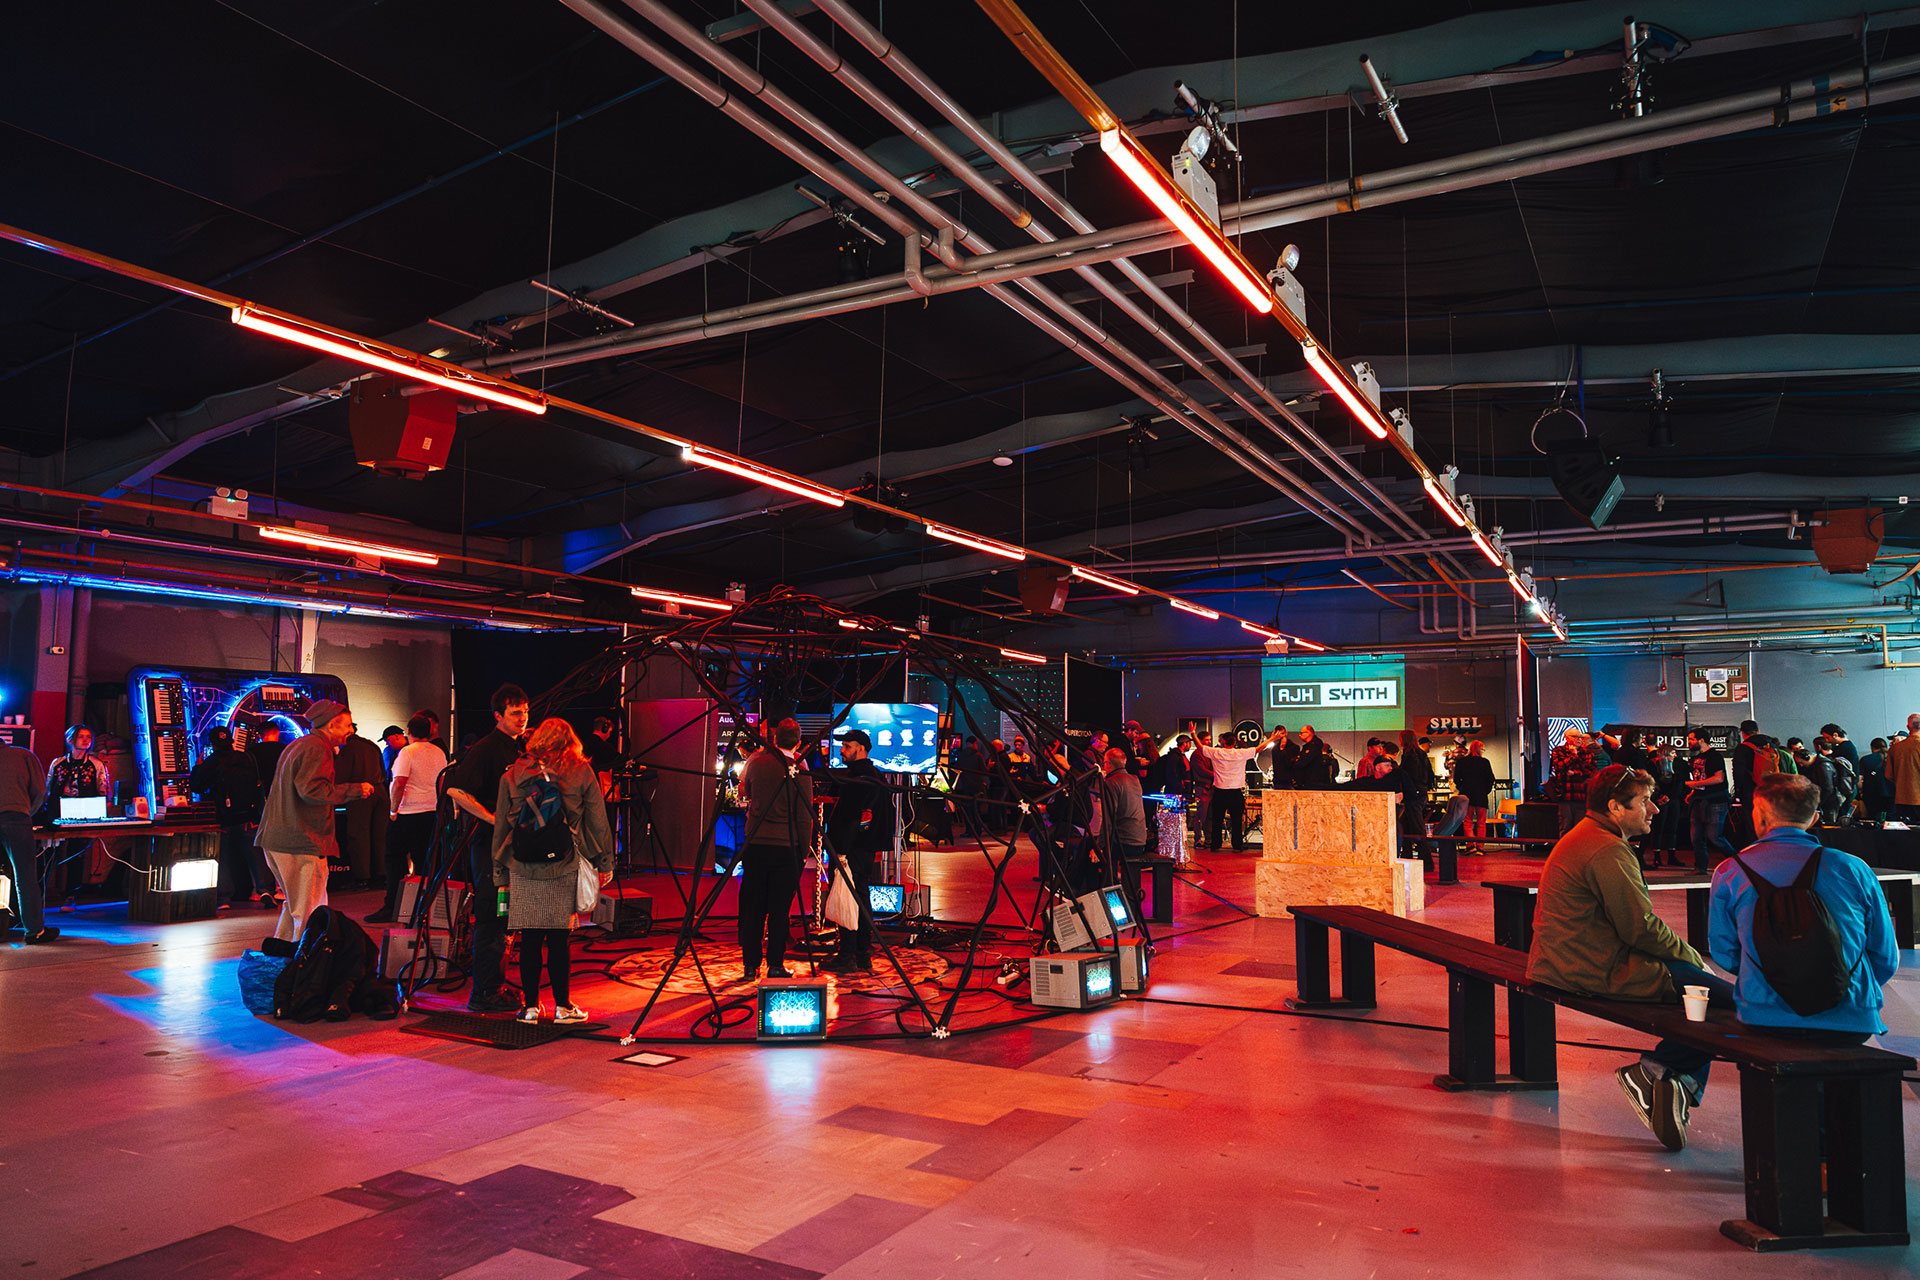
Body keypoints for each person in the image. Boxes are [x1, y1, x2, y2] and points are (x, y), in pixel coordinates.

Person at [1527, 764, 1731, 1152]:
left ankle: (1671, 1079)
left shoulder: (1586, 836)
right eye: (1643, 802)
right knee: (1729, 1003)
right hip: (1592, 969)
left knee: (1702, 992)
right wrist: (1694, 960)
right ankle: (1657, 1073)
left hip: (1567, 961)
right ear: (1615, 808)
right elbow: (1640, 928)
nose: (1653, 810)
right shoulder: (1607, 849)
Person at [1707, 774, 1898, 1135]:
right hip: (1850, 1017)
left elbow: (1725, 952)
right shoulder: (1853, 868)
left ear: (1759, 815)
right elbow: (1885, 956)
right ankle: (1836, 1162)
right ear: (1813, 819)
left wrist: (1774, 975)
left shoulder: (1730, 871)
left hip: (1764, 1013)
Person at [491, 717, 612, 1024]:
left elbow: (502, 823)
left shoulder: (512, 774)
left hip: (522, 864)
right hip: (563, 861)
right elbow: (598, 819)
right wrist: (605, 862)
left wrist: (498, 870)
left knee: (529, 938)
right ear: (570, 741)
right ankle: (563, 1007)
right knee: (559, 938)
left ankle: (530, 1007)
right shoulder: (581, 771)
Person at [255, 701, 377, 943]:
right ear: (331, 725)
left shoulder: (298, 745)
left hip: (279, 838)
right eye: (347, 726)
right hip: (300, 840)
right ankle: (306, 968)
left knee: (296, 907)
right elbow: (312, 791)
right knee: (310, 910)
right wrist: (355, 790)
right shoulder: (317, 749)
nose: (351, 731)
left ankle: (285, 960)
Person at [445, 685, 530, 1012]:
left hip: (510, 849)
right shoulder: (487, 748)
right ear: (498, 716)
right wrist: (493, 818)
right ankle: (483, 994)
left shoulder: (516, 748)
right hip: (490, 850)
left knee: (505, 917)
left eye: (524, 712)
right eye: (515, 713)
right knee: (492, 918)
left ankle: (494, 985)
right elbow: (456, 789)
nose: (522, 718)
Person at [737, 717, 814, 981]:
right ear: (799, 742)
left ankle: (750, 965)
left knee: (753, 906)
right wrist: (803, 851)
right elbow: (805, 816)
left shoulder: (756, 763)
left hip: (756, 844)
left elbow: (746, 792)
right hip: (786, 847)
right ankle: (776, 965)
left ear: (774, 738)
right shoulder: (800, 768)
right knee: (780, 909)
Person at [367, 712, 448, 925]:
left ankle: (393, 906)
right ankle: (421, 908)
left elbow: (400, 782)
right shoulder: (439, 752)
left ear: (408, 732)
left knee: (394, 859)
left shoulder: (407, 752)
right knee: (424, 862)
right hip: (431, 812)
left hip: (408, 813)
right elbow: (441, 783)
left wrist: (393, 811)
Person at [188, 726, 270, 910]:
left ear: (213, 743)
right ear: (231, 741)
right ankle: (265, 890)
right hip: (249, 816)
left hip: (224, 818)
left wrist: (198, 767)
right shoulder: (247, 758)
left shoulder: (212, 761)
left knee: (222, 858)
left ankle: (223, 899)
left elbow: (197, 786)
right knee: (255, 855)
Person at [824, 727, 885, 973]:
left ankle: (848, 955)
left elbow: (863, 817)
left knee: (847, 898)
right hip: (860, 848)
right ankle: (861, 953)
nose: (842, 750)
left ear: (860, 748)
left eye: (847, 746)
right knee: (860, 898)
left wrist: (846, 847)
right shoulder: (871, 775)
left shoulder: (859, 778)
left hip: (851, 850)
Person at [43, 724, 112, 902]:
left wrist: (100, 813)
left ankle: (71, 894)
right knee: (50, 853)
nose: (85, 740)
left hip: (83, 813)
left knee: (77, 855)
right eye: (81, 736)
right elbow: (49, 789)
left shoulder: (96, 764)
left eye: (88, 737)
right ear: (70, 739)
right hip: (57, 813)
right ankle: (42, 892)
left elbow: (103, 790)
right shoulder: (58, 763)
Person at [1194, 726, 1283, 852]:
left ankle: (1215, 844)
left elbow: (1200, 747)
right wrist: (1273, 738)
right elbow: (1259, 749)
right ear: (1234, 742)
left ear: (1222, 742)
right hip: (1235, 792)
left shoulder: (1216, 752)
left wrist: (1193, 733)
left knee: (1217, 820)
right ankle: (1237, 845)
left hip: (1220, 791)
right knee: (1237, 821)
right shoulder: (1241, 753)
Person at [0, 736, 51, 942]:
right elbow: (40, 791)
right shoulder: (24, 755)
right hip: (16, 818)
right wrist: (26, 811)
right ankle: (34, 931)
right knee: (25, 876)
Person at [333, 723, 389, 891]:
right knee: (380, 835)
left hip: (360, 793)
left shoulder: (347, 749)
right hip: (380, 791)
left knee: (358, 835)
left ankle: (362, 878)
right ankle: (381, 875)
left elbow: (339, 776)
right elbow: (384, 772)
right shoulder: (372, 745)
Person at [1681, 728, 1732, 871]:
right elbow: (1700, 777)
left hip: (1716, 801)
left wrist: (1695, 784)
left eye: (1691, 739)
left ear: (1701, 740)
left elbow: (1719, 778)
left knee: (1714, 837)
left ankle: (1739, 862)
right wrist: (1692, 792)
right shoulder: (1697, 757)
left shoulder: (1715, 756)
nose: (1689, 742)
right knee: (1696, 838)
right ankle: (1701, 868)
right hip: (1699, 800)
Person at [1452, 740, 1495, 850]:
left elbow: (1456, 779)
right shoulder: (1484, 762)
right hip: (1481, 795)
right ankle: (1480, 847)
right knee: (1481, 822)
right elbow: (1490, 779)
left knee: (1467, 821)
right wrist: (1485, 790)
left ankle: (1470, 846)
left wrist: (1462, 787)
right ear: (1479, 749)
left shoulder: (1462, 762)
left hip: (1466, 795)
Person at [1887, 713, 1920, 822]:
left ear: (1908, 727)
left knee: (1906, 835)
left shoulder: (1895, 748)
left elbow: (1888, 775)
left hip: (1901, 799)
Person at [1294, 724, 1337, 788]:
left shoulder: (1314, 746)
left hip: (1313, 782)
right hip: (1308, 781)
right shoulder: (1310, 746)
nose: (1300, 735)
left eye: (1301, 733)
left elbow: (1303, 761)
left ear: (1308, 733)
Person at [1859, 737, 1891, 821]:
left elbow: (1860, 780)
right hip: (1891, 794)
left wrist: (1860, 792)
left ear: (1872, 747)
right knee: (1891, 820)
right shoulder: (1892, 758)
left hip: (1871, 795)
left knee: (1873, 820)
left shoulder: (1866, 759)